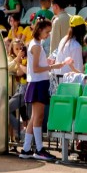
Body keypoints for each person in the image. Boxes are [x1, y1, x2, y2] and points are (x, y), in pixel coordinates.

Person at [19, 19, 68, 161]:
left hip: (37, 82)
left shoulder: (36, 44)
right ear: (40, 30)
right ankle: (39, 149)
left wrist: (48, 63)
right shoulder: (36, 45)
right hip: (38, 83)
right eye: (47, 32)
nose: (48, 35)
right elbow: (35, 68)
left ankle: (26, 149)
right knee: (38, 117)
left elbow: (37, 65)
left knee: (35, 117)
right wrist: (53, 66)